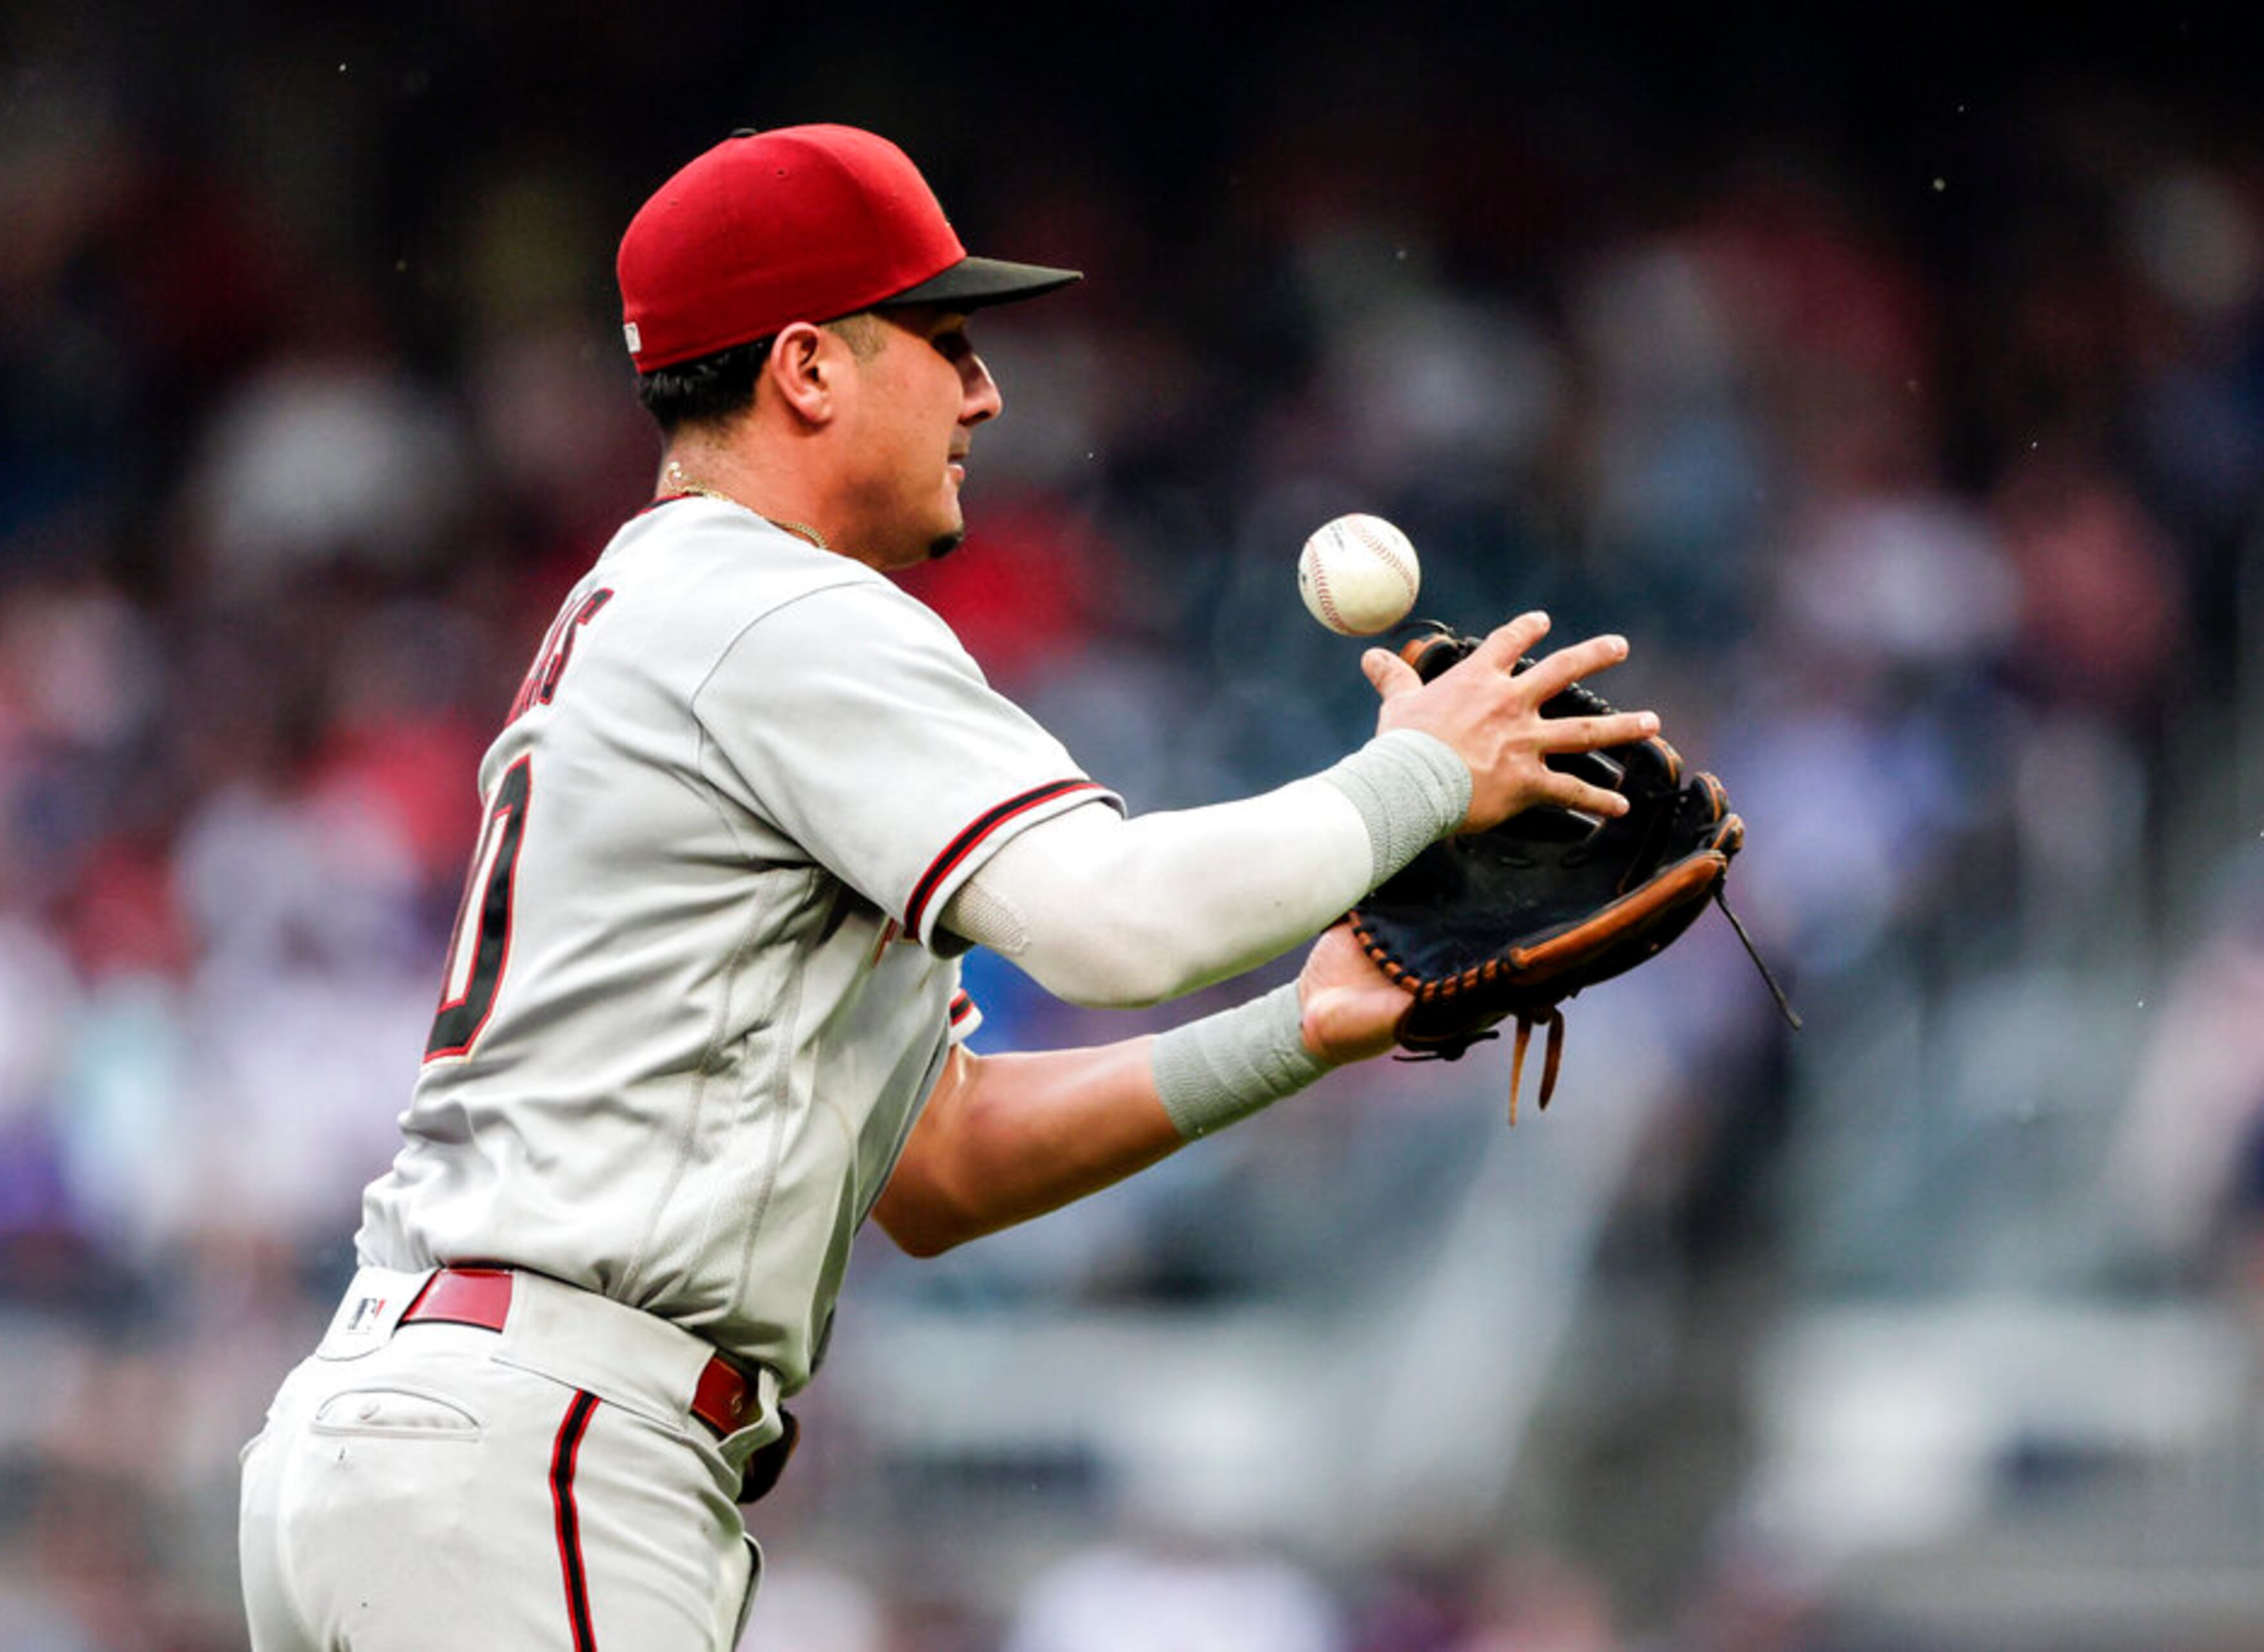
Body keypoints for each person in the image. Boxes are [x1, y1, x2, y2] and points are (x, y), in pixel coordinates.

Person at [235, 123, 1659, 1651]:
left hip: (448, 1435)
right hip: (542, 1451)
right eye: (949, 340)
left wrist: (1301, 1027)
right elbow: (1116, 923)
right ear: (807, 369)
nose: (986, 392)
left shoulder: (685, 617)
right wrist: (1422, 774)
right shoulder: (773, 606)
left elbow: (940, 1167)